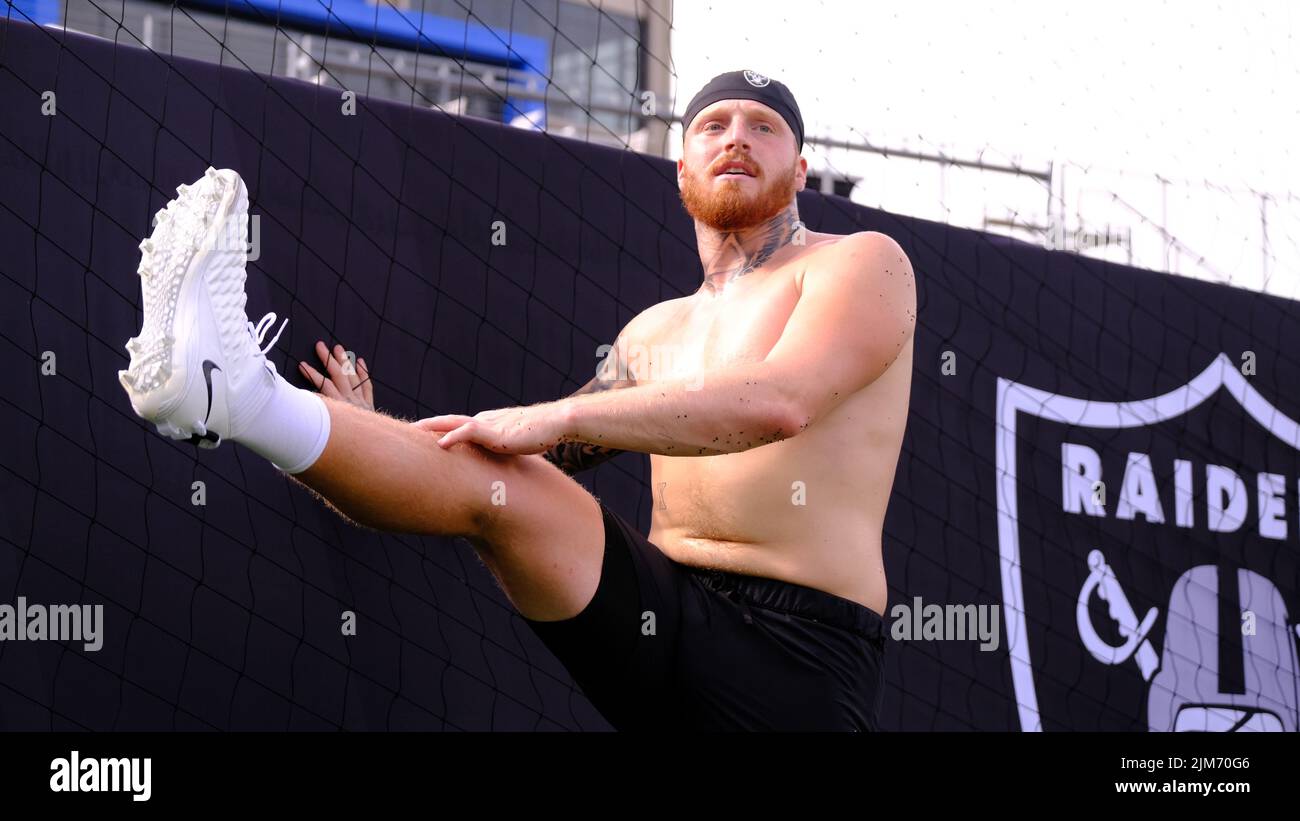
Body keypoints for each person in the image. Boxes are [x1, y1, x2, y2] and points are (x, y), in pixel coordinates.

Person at [119, 69, 916, 731]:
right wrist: (365, 436)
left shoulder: (860, 265)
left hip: (800, 657)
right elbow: (517, 449)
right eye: (713, 124)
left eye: (764, 126)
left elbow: (780, 403)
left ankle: (243, 396)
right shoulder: (652, 331)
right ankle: (237, 394)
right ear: (680, 170)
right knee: (497, 483)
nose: (737, 135)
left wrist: (560, 413)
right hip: (661, 615)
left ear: (802, 169)